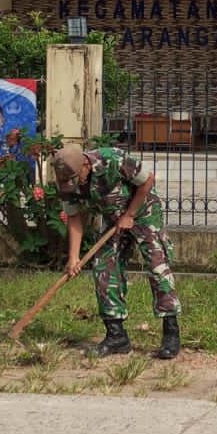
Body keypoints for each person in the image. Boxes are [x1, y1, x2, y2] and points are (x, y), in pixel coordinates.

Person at [52, 141, 182, 360]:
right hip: (113, 218)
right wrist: (73, 257)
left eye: (76, 179)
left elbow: (147, 180)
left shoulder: (112, 158)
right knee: (104, 267)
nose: (74, 185)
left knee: (157, 266)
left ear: (85, 164)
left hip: (143, 209)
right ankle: (117, 337)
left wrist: (130, 215)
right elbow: (74, 217)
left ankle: (170, 332)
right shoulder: (66, 178)